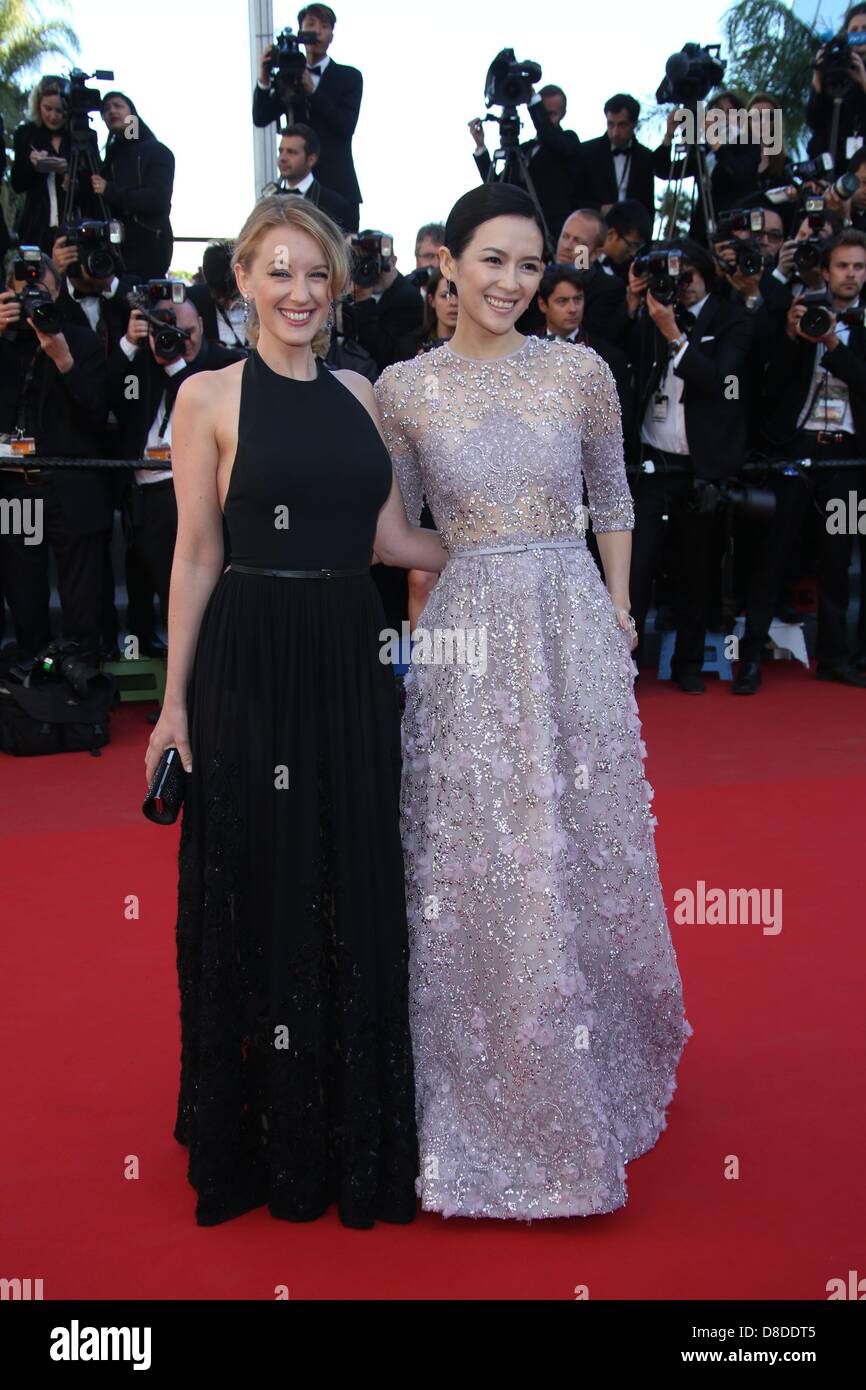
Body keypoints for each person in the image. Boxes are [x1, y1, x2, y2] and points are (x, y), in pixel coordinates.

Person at [373, 183, 691, 1219]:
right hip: (468, 636)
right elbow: (391, 533)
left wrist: (621, 607)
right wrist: (478, 558)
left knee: (583, 844)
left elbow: (611, 496)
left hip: (572, 631)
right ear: (448, 265)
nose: (511, 283)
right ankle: (489, 1085)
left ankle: (589, 1060)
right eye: (490, 261)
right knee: (481, 851)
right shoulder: (404, 389)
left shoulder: (579, 373)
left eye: (527, 265)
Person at [144, 195, 447, 1227]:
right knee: (265, 877)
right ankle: (262, 1129)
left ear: (338, 284)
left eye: (315, 273)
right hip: (252, 655)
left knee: (349, 872)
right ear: (242, 282)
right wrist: (172, 704)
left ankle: (344, 1123)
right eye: (277, 272)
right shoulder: (208, 398)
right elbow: (194, 554)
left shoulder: (363, 394)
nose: (299, 292)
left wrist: (518, 557)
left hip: (348, 655)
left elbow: (392, 542)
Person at [253, 4, 362, 230]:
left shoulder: (349, 77)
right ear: (301, 31)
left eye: (324, 26)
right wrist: (264, 78)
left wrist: (314, 91)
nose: (318, 32)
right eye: (311, 25)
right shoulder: (288, 76)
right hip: (295, 186)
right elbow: (261, 116)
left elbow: (345, 126)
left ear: (332, 35)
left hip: (338, 186)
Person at [468, 83, 581, 246]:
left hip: (553, 234)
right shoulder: (524, 149)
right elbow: (498, 185)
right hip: (520, 232)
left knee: (579, 264)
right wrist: (480, 147)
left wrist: (534, 101)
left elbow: (550, 136)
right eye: (543, 112)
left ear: (563, 114)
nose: (545, 118)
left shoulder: (568, 140)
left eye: (551, 113)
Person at [96, 91, 175, 279]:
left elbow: (158, 200)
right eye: (106, 109)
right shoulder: (109, 161)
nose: (112, 111)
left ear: (132, 113)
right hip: (116, 255)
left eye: (118, 105)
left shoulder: (157, 152)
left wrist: (110, 190)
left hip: (149, 253)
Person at [10, 77, 75, 256]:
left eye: (60, 111)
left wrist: (69, 172)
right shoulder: (25, 134)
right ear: (38, 104)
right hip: (36, 226)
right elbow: (17, 184)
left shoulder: (79, 137)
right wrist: (31, 164)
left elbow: (93, 181)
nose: (53, 116)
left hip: (72, 224)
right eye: (48, 109)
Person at [574, 93, 659, 219]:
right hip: (594, 229)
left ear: (634, 124)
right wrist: (600, 209)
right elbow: (573, 198)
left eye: (622, 125)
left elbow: (647, 205)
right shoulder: (586, 152)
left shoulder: (645, 157)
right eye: (610, 124)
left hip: (629, 232)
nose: (615, 132)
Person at [266, 125, 352, 228]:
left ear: (311, 160)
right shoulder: (269, 202)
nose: (283, 158)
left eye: (291, 152)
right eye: (281, 151)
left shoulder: (334, 205)